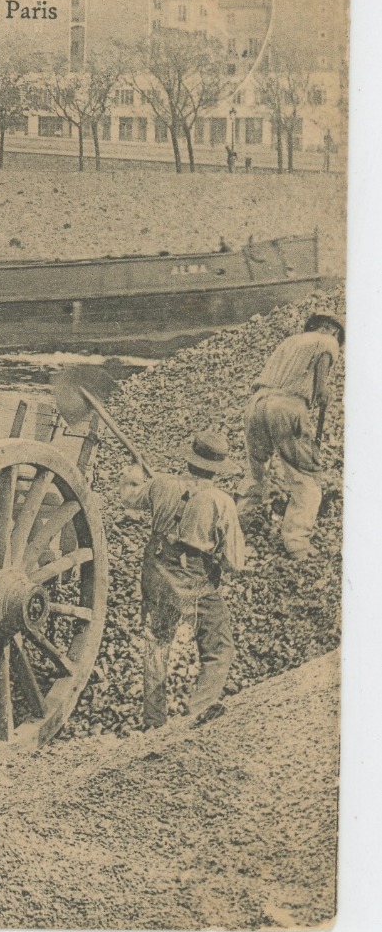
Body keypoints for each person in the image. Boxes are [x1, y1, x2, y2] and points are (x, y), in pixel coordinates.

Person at [118, 431, 247, 730]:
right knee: (219, 646)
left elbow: (129, 498)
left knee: (157, 643)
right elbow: (234, 564)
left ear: (190, 459)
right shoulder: (221, 502)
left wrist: (130, 476)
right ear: (217, 468)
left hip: (156, 570)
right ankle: (197, 713)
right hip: (193, 578)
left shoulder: (161, 483)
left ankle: (153, 722)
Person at [241, 311, 343, 558]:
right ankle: (297, 543)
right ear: (333, 330)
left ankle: (238, 523)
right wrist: (322, 391)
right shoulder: (327, 341)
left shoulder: (289, 342)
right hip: (287, 407)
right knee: (305, 478)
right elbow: (321, 371)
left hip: (256, 404)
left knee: (256, 468)